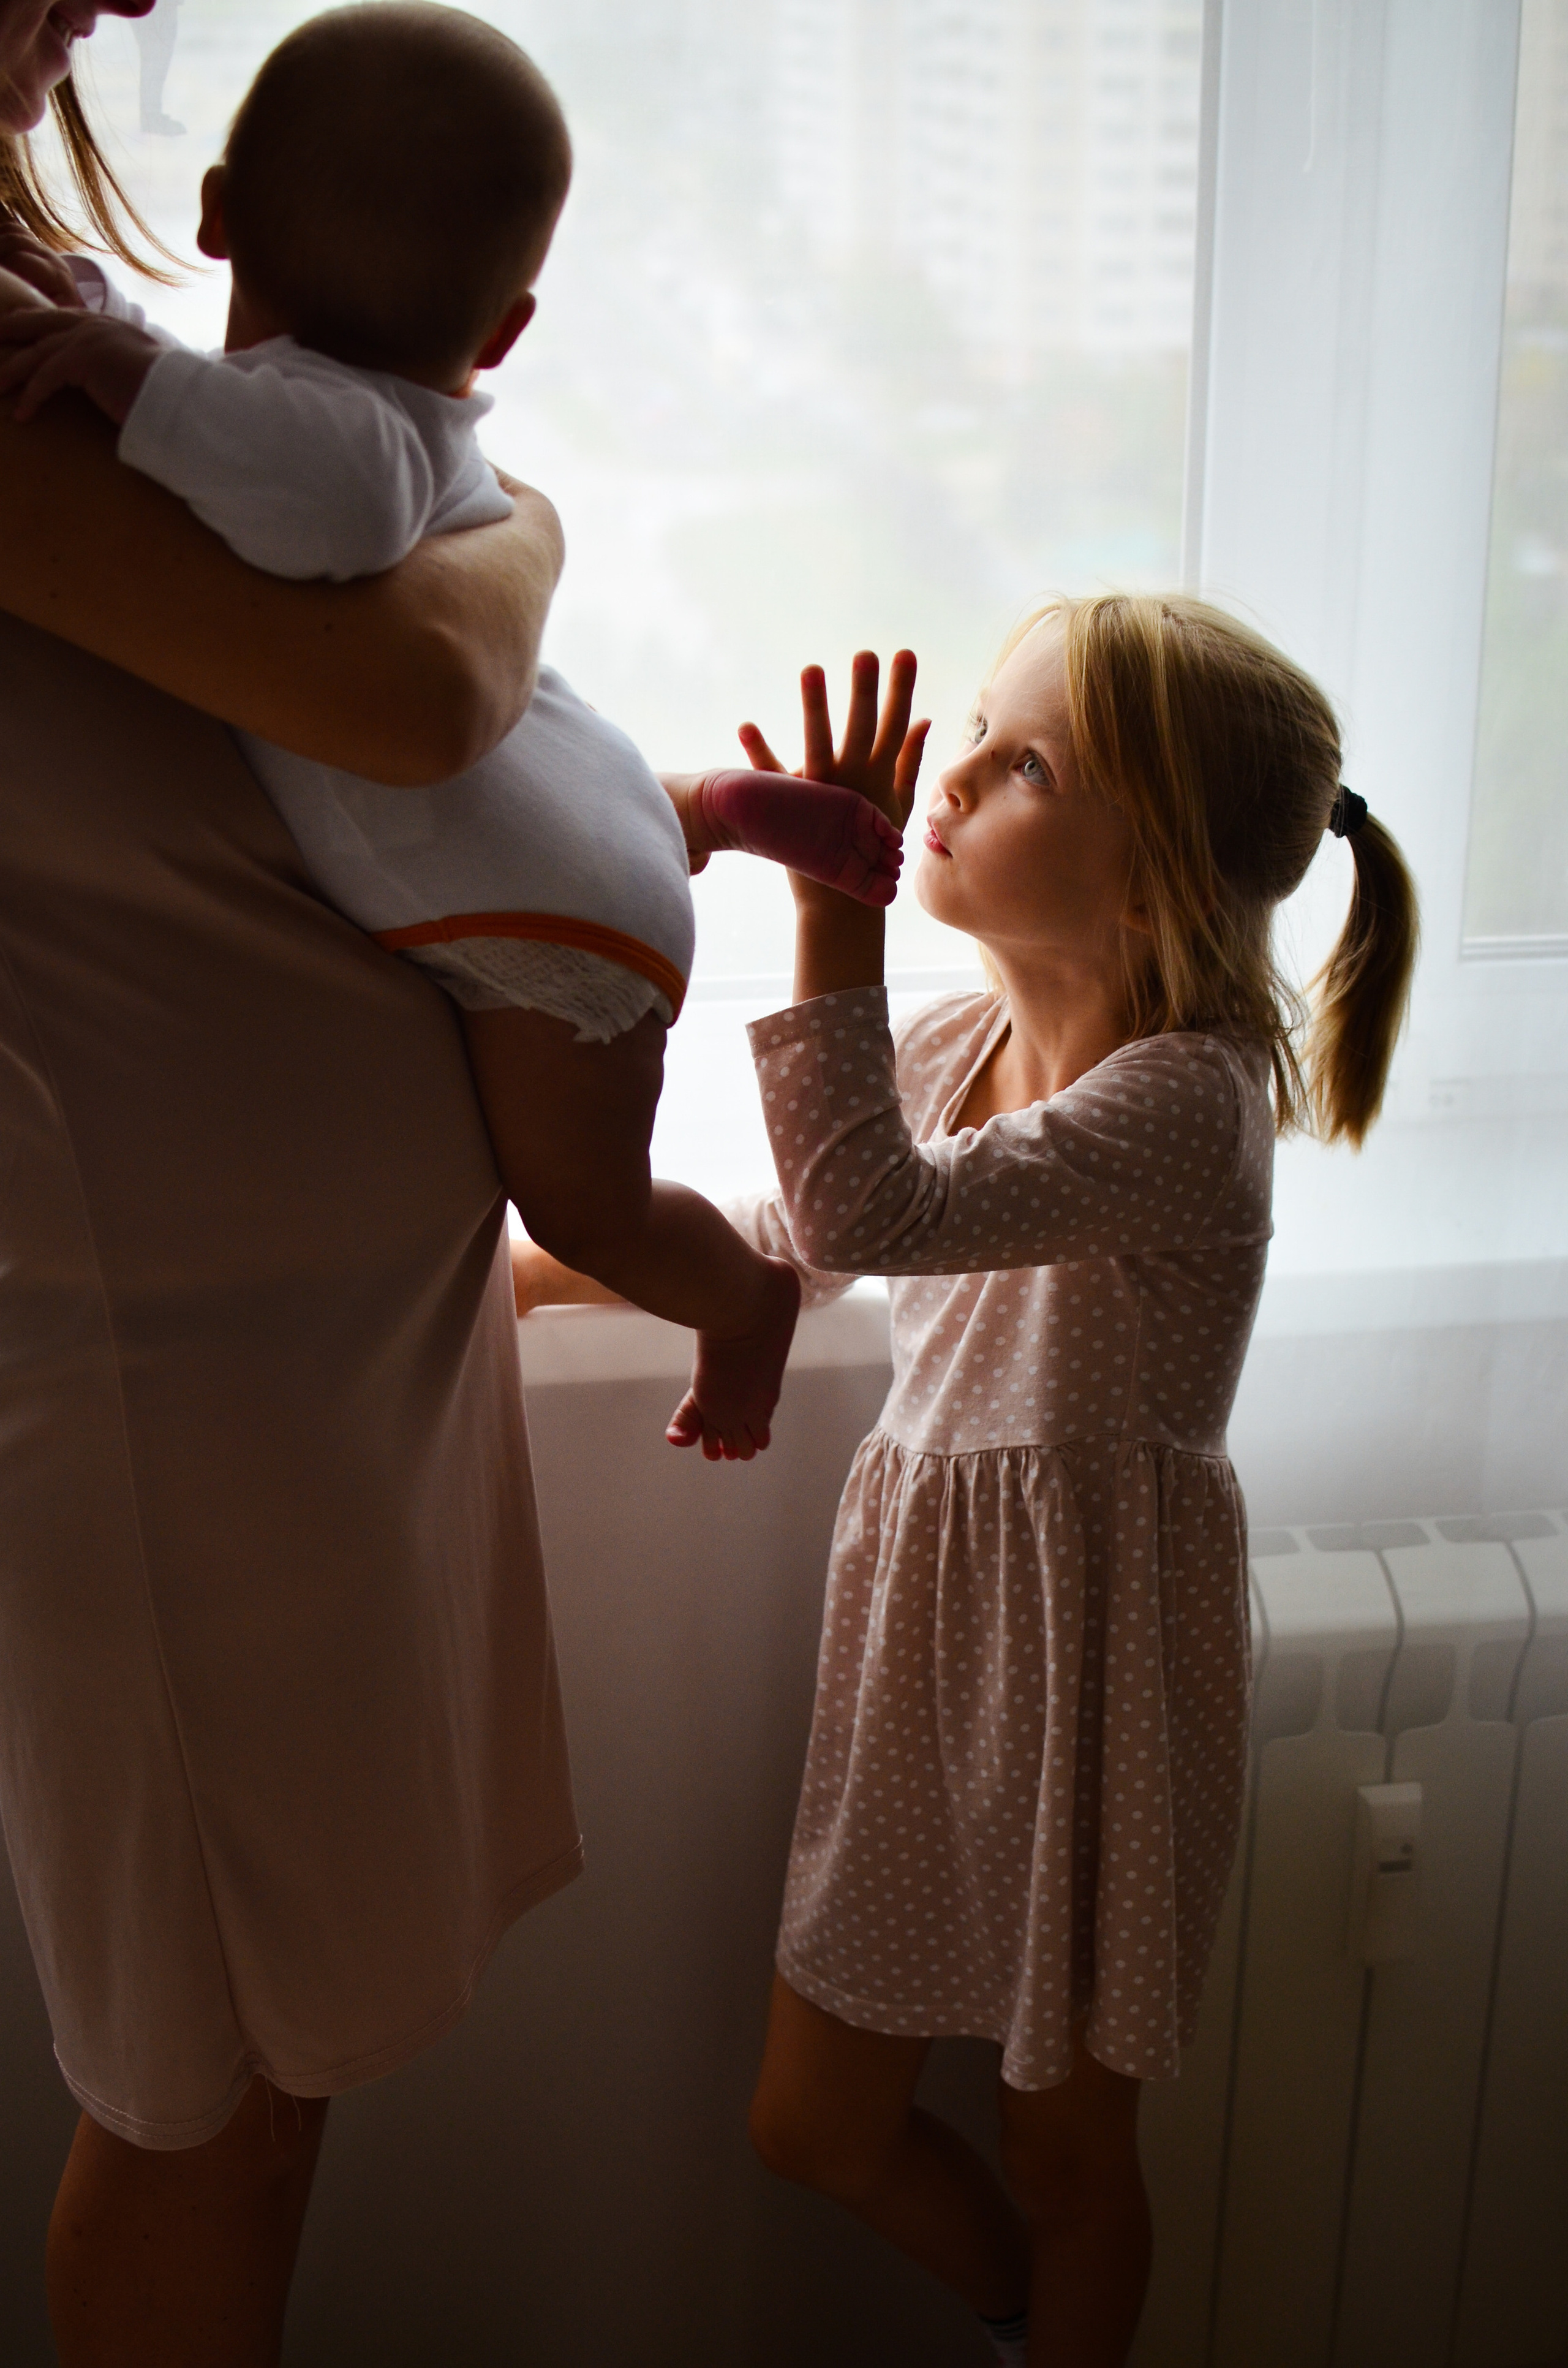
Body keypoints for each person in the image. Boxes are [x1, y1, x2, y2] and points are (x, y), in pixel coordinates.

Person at [516, 605, 1419, 2366]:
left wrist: (827, 915)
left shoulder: (1193, 1099)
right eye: (983, 734)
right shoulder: (948, 1049)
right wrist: (543, 1262)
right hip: (930, 1642)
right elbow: (797, 1240)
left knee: (1070, 2143)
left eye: (1025, 764)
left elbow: (872, 1215)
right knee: (814, 2121)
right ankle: (1020, 2313)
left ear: (1148, 881)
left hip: (1102, 1667)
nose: (954, 772)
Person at [0, 4, 583, 2361]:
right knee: (206, 2076)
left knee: (278, 2058)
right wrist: (514, 506)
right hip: (158, 1357)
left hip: (297, 1357)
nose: (128, 2)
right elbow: (422, 687)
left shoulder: (64, 302)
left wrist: (481, 517)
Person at [0, 2, 907, 1458]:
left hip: (550, 940)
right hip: (572, 814)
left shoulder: (323, 443)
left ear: (220, 217)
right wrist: (109, 338)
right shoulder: (328, 418)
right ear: (503, 328)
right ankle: (711, 810)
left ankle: (741, 1302)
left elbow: (341, 555)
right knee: (543, 784)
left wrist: (119, 367)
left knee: (588, 1211)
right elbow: (249, 466)